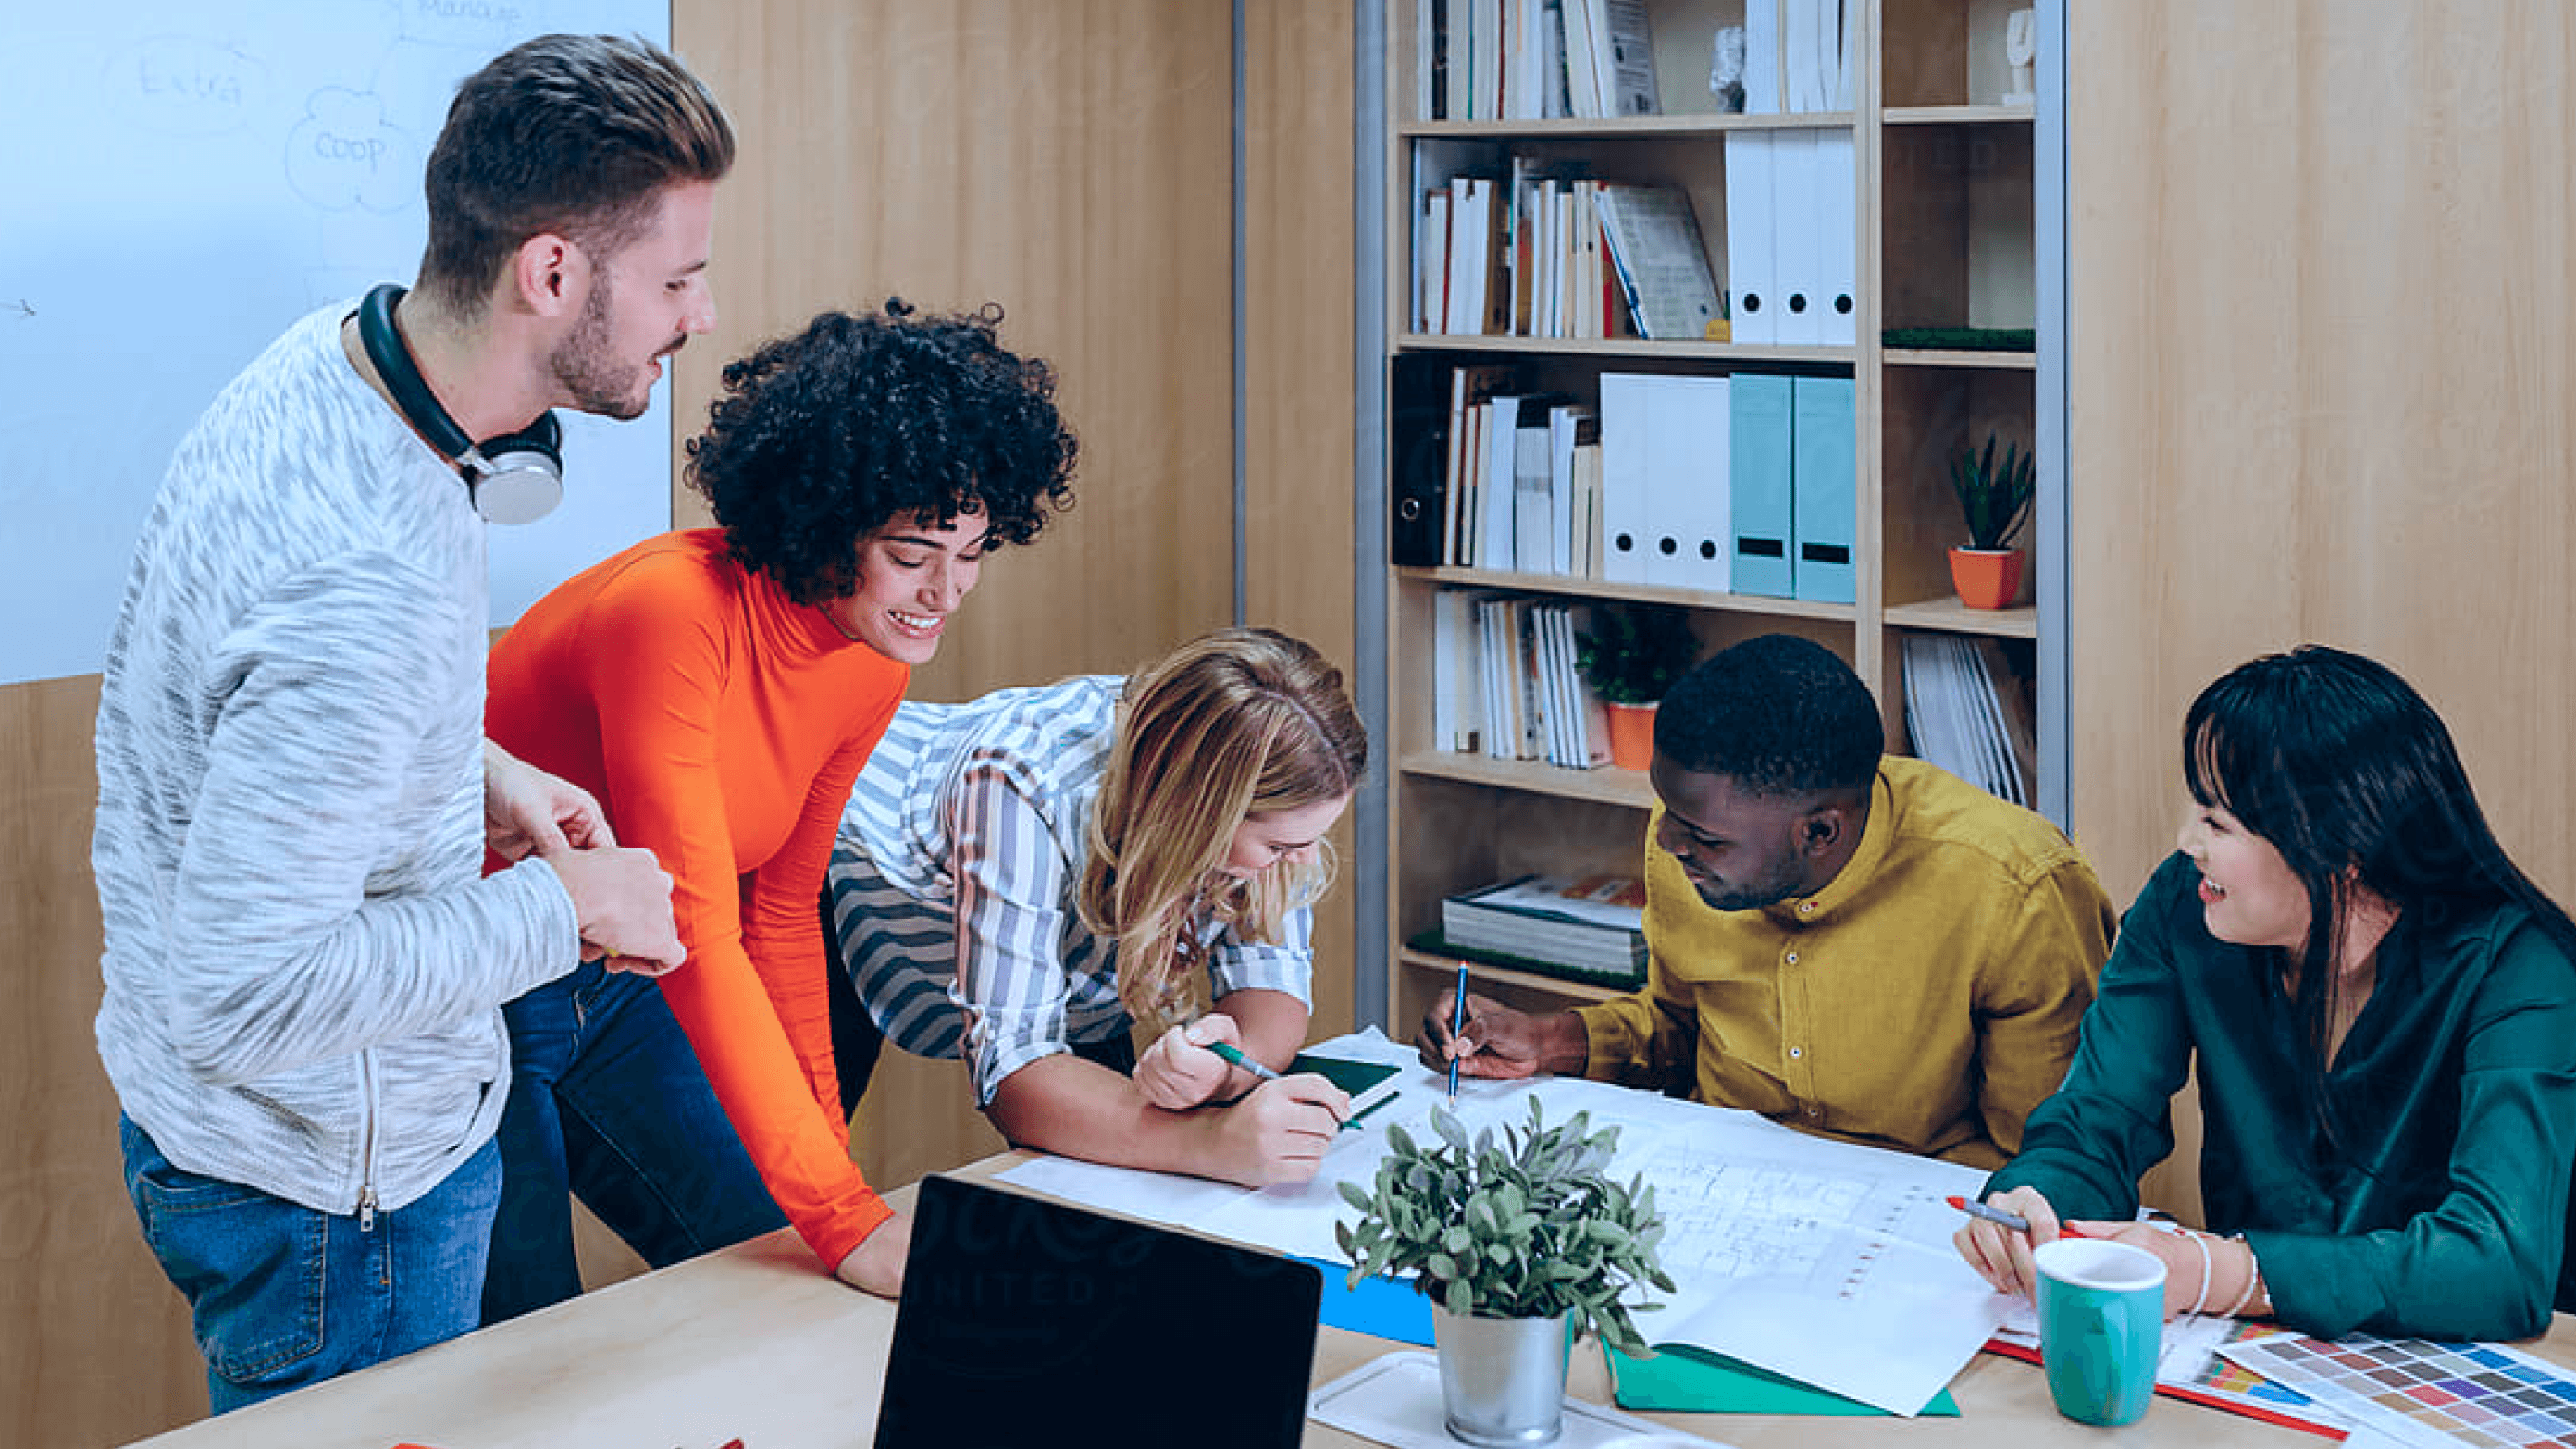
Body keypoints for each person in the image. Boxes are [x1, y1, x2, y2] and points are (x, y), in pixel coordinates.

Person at [91, 35, 730, 1409]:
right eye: (677, 278)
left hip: (255, 1148)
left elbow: (253, 701)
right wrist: (573, 911)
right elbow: (246, 993)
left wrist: (471, 771)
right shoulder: (366, 578)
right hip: (340, 1201)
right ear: (553, 272)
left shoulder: (337, 368)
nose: (703, 313)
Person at [480, 302, 1078, 1319]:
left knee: (783, 1259)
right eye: (913, 552)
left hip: (618, 984)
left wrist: (829, 1167)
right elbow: (697, 925)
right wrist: (846, 1215)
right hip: (478, 982)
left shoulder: (870, 660)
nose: (947, 591)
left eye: (972, 551)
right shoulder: (672, 611)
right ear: (826, 516)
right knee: (523, 1332)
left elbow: (782, 913)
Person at [1955, 645, 2576, 1342]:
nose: (2187, 841)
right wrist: (2036, 1195)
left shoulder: (2520, 967)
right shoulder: (2182, 907)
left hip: (2476, 1373)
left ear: (2342, 848)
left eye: (2219, 822)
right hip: (2260, 1349)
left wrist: (2227, 1272)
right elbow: (2097, 1118)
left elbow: (2499, 1262)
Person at [1418, 632, 2115, 1169]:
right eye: (1668, 814)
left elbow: (2045, 1159)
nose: (1667, 846)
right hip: (1718, 1190)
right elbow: (1679, 1029)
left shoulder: (2015, 890)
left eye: (1704, 838)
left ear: (1820, 832)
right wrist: (1549, 1041)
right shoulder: (1692, 843)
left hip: (1920, 1236)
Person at [825, 627, 1368, 1187]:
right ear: (1197, 816)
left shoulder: (1272, 796)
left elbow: (1272, 984)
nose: (1303, 863)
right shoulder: (1021, 778)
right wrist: (1212, 1142)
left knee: (1119, 1182)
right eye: (1280, 847)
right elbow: (1014, 1077)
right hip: (837, 890)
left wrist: (1225, 1067)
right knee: (778, 1205)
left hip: (1080, 944)